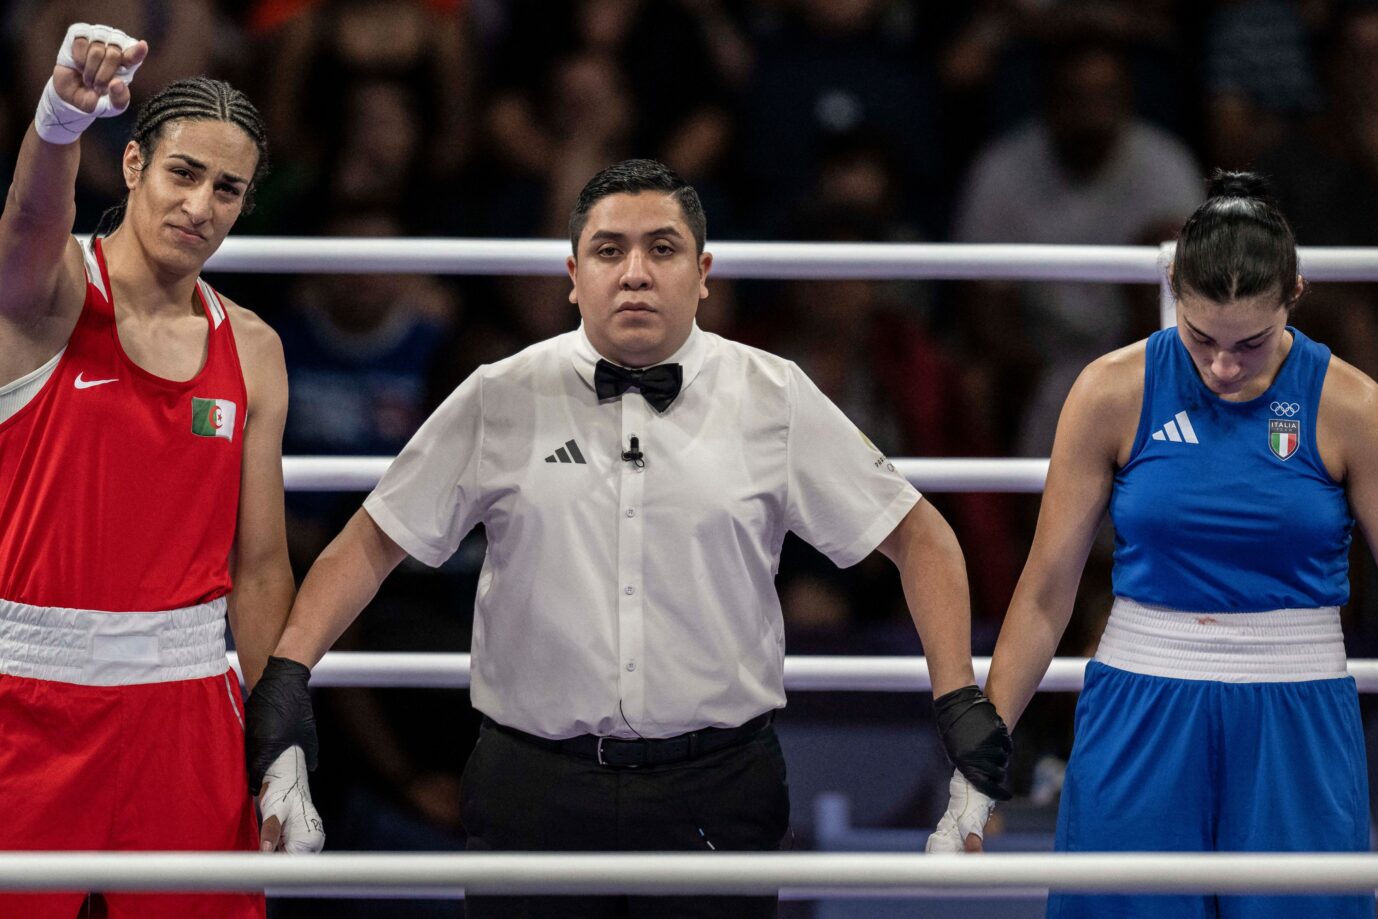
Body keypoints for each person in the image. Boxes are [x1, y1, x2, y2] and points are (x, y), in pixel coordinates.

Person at [244, 158, 1011, 918]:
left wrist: (957, 698)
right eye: (610, 250)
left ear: (703, 272)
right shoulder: (501, 393)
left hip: (717, 784)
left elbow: (923, 538)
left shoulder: (772, 394)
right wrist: (286, 674)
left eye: (663, 249)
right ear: (573, 273)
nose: (636, 272)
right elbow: (372, 541)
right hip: (532, 784)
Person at [932, 170, 1378, 918]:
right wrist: (978, 768)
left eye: (1252, 343)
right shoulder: (1112, 391)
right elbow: (1047, 589)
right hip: (1140, 710)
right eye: (1203, 338)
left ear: (1295, 294)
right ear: (1171, 285)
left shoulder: (1352, 407)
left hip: (1296, 721)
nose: (1224, 366)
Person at [0, 22, 322, 919]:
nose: (202, 206)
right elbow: (30, 218)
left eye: (229, 189)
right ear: (134, 164)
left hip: (183, 706)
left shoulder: (252, 348)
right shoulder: (47, 293)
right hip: (25, 702)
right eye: (185, 173)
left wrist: (279, 738)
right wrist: (60, 117)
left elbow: (258, 564)